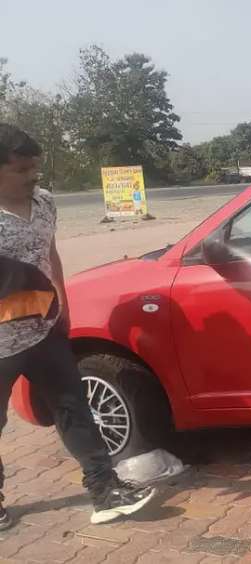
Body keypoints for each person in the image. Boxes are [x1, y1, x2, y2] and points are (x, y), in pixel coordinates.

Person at [0, 124, 155, 531]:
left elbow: (48, 251)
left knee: (74, 409)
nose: (33, 175)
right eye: (21, 170)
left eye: (35, 167)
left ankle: (105, 492)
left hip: (43, 329)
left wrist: (62, 298)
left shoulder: (45, 202)